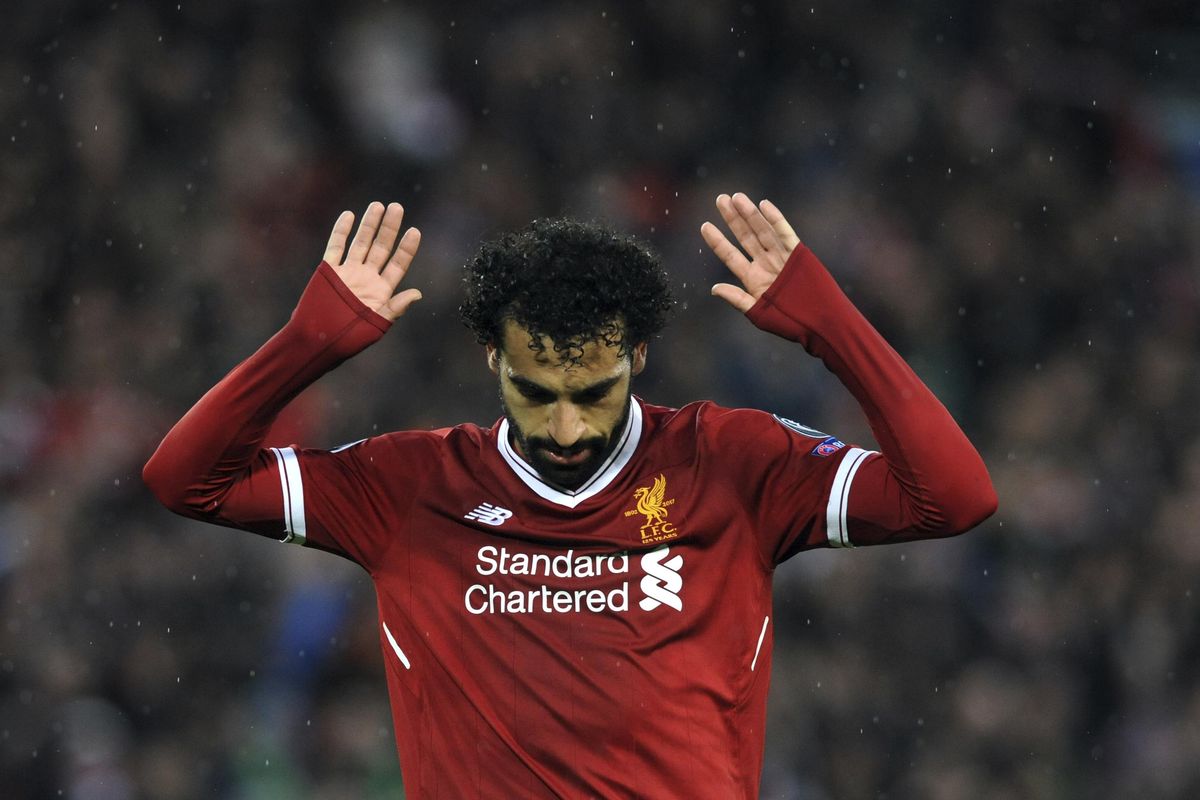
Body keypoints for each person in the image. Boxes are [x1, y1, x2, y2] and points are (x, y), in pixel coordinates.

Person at [144, 193, 997, 798]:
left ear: (638, 361)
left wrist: (832, 327)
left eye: (592, 393)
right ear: (493, 362)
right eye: (534, 391)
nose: (563, 429)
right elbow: (184, 480)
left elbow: (952, 498)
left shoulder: (730, 465)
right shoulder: (411, 488)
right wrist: (305, 348)